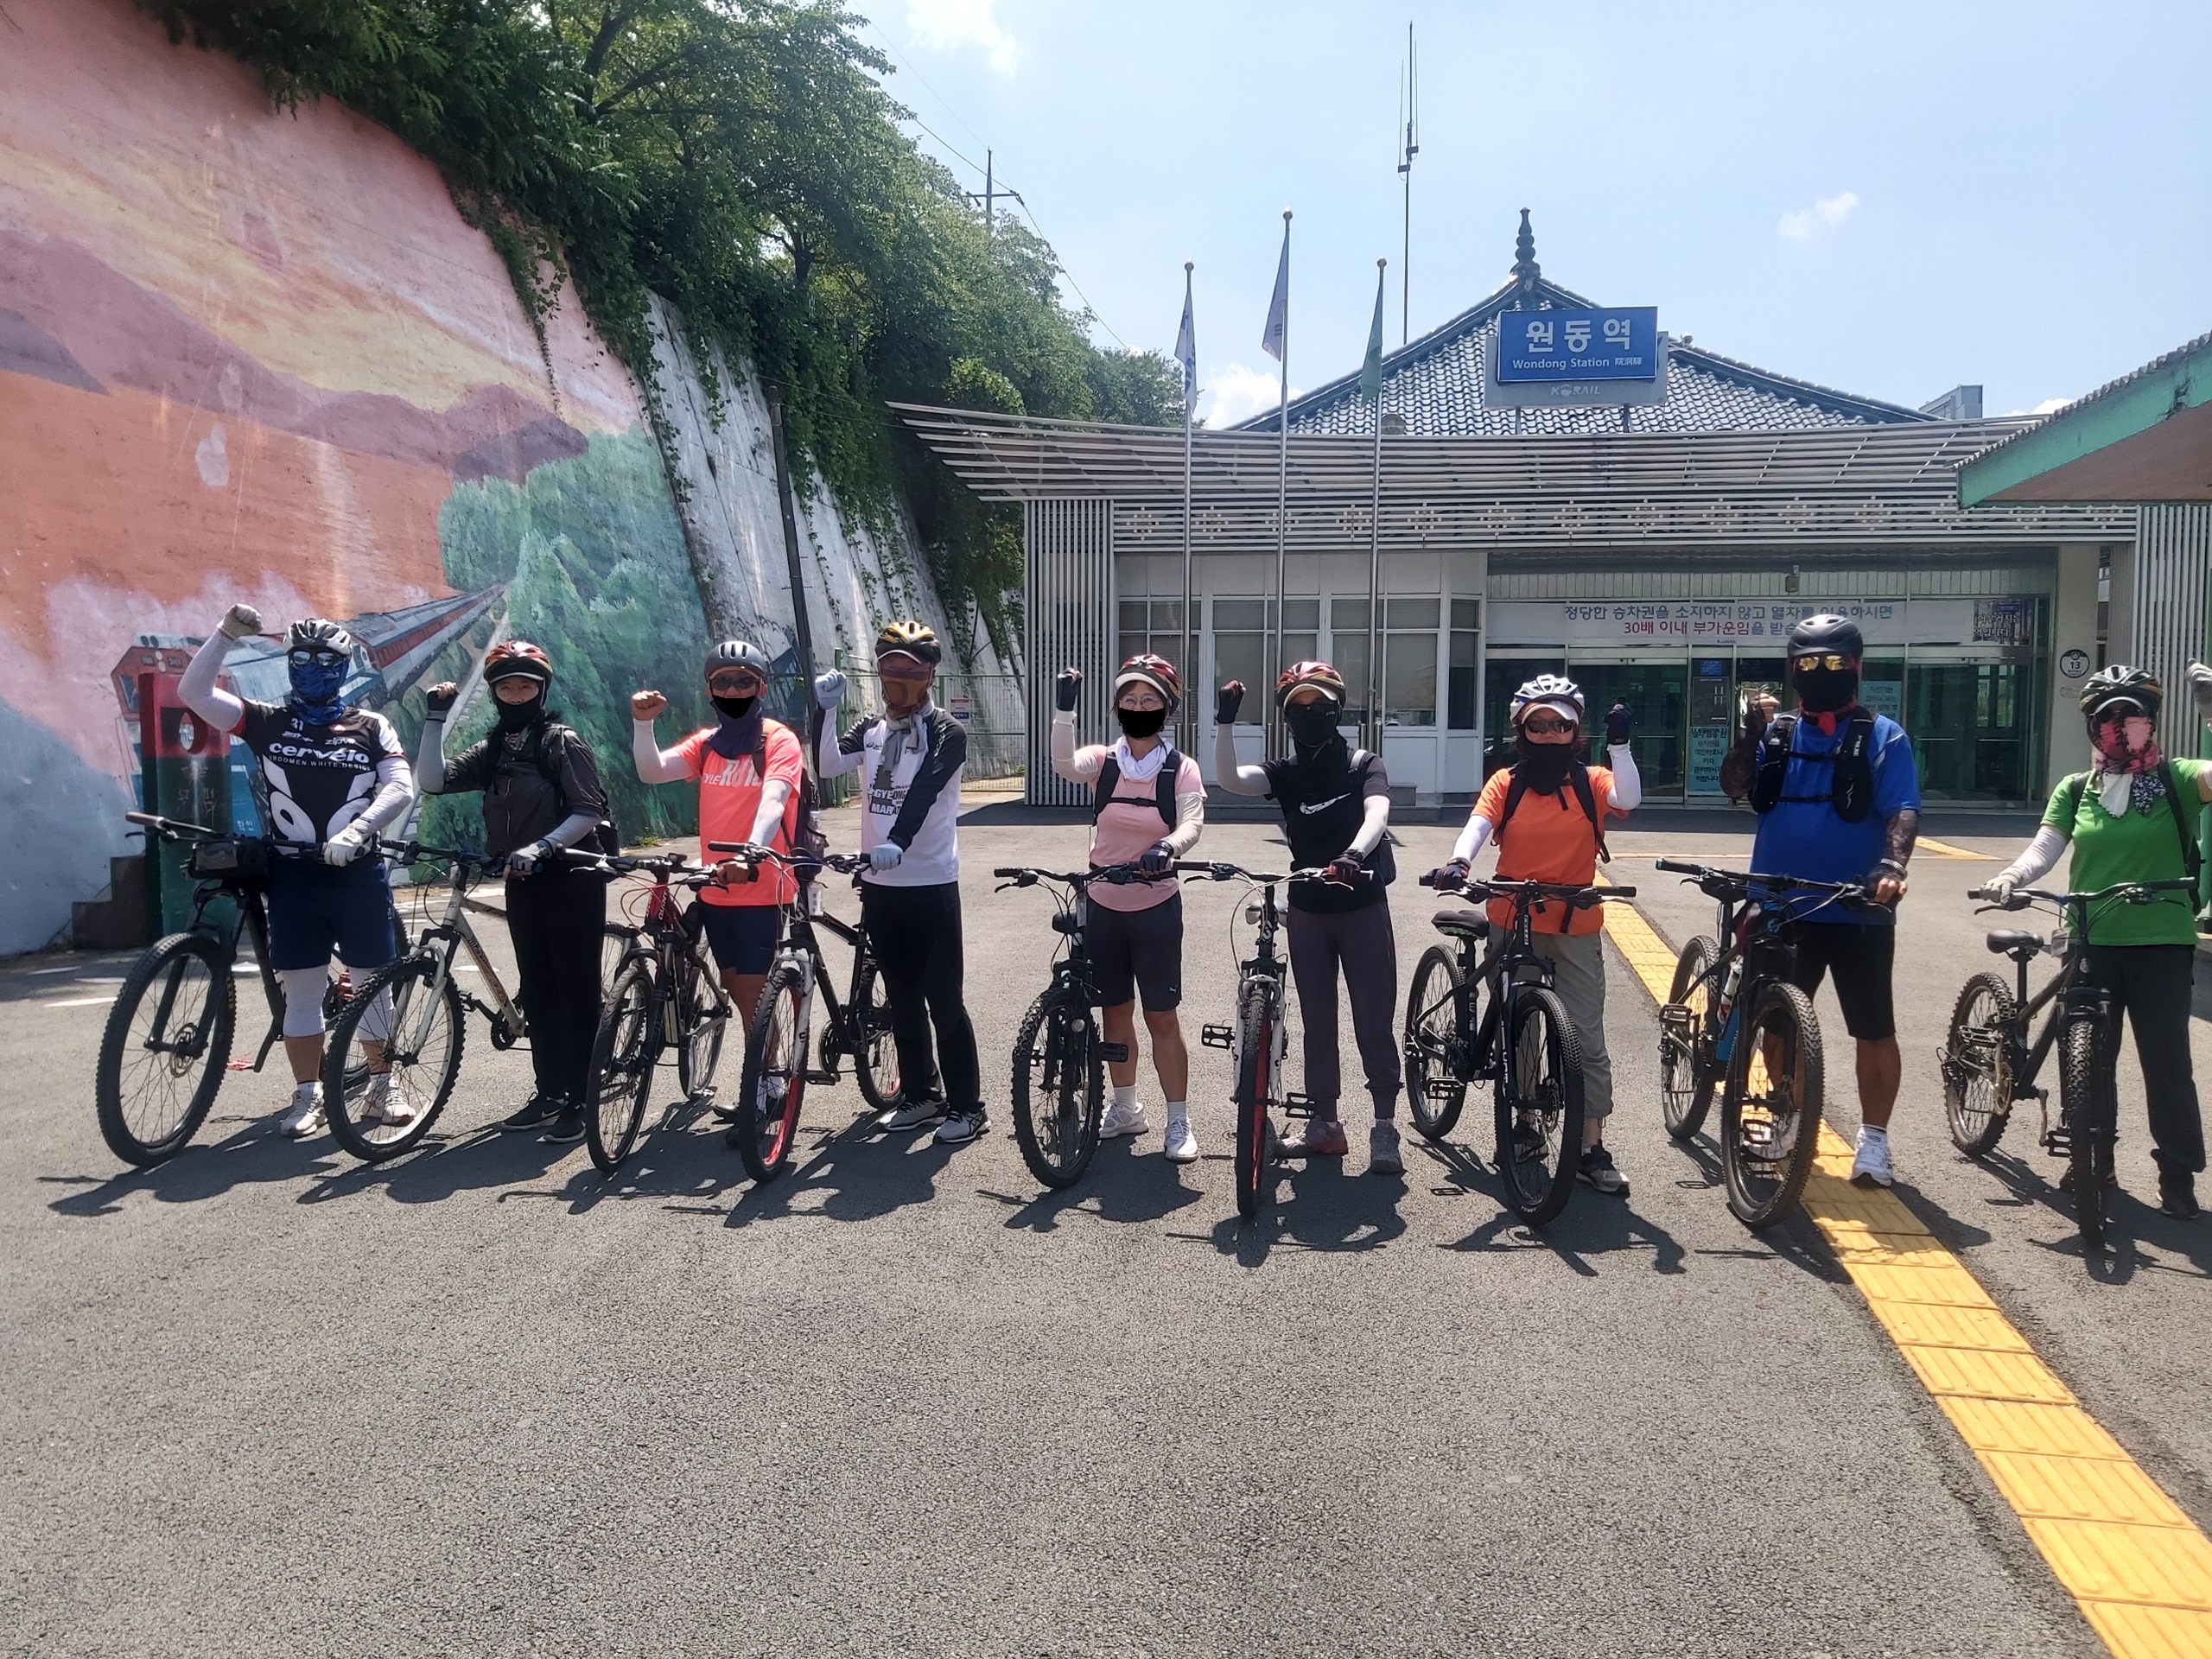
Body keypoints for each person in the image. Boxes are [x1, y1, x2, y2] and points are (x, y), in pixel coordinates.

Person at [1983, 664, 2209, 1220]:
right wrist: (2012, 876)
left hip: (2161, 940)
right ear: (2091, 726)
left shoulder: (2179, 779)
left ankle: (2177, 1173)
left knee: (2167, 1063)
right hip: (2090, 937)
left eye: (2132, 715)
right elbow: (2046, 847)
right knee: (2088, 1058)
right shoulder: (2077, 788)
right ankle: (2093, 1157)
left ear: (2151, 721)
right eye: (2107, 717)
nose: (2119, 726)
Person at [178, 603, 413, 1138]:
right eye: (301, 659)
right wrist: (224, 636)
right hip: (295, 877)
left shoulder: (371, 725)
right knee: (302, 992)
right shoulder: (267, 721)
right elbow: (194, 694)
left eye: (325, 659)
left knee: (372, 985)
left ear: (343, 666)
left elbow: (400, 787)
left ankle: (383, 1085)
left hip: (357, 873)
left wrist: (358, 832)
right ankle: (309, 1095)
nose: (311, 668)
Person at [1720, 613, 1920, 1189]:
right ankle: (1786, 1116)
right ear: (1793, 670)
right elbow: (1736, 786)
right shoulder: (1779, 734)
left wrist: (1891, 866)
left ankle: (1874, 1140)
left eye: (1834, 662)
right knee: (1777, 1023)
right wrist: (1751, 734)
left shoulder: (1883, 736)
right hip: (1781, 904)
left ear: (1855, 667)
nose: (1820, 672)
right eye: (1808, 663)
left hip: (1856, 906)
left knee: (1873, 1028)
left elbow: (1903, 810)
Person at [1429, 677, 1642, 1194]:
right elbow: (1479, 824)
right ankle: (1525, 1125)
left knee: (1586, 1036)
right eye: (1538, 724)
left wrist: (1620, 748)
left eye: (1560, 724)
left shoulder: (1592, 781)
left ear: (1575, 730)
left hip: (1574, 923)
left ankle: (1590, 1145)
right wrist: (1460, 861)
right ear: (1521, 729)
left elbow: (1628, 797)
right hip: (1514, 915)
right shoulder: (1506, 782)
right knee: (1520, 1029)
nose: (1550, 733)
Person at [417, 640, 611, 1146]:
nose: (517, 694)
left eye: (526, 685)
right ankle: (550, 1092)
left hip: (572, 876)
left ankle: (583, 1098)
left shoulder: (561, 742)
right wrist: (434, 719)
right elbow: (433, 782)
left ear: (541, 690)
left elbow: (588, 810)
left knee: (575, 989)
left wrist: (544, 846)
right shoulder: (493, 749)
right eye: (507, 687)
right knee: (539, 988)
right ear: (495, 692)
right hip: (523, 880)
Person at [1212, 662, 1403, 1176]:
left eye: (1318, 704)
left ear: (1337, 710)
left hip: (1361, 904)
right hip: (1308, 909)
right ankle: (1325, 1124)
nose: (1308, 713)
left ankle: (1385, 1126)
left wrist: (1355, 853)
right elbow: (1230, 780)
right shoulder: (1288, 772)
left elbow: (1378, 813)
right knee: (1318, 1021)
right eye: (1297, 707)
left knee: (1373, 1019)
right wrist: (1225, 723)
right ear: (1286, 717)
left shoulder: (1363, 764)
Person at [814, 620, 988, 1147]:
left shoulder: (947, 732)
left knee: (943, 998)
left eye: (911, 670)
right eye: (891, 668)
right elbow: (827, 765)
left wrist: (898, 840)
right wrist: (825, 712)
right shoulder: (871, 729)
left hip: (929, 881)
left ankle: (968, 1106)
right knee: (902, 997)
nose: (900, 679)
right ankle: (920, 1095)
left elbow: (926, 791)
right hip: (881, 885)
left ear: (930, 675)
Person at [1048, 654, 1206, 1162]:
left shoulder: (1180, 768)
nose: (1139, 708)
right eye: (1130, 700)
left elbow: (1192, 821)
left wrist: (1168, 847)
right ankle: (1125, 1108)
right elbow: (1063, 764)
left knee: (1162, 1015)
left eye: (1150, 700)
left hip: (1156, 904)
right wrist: (1064, 711)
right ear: (1118, 709)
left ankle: (1178, 1120)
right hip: (1103, 903)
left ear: (1167, 709)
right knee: (1115, 1011)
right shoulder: (1105, 761)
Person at [632, 641, 807, 1042]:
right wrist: (643, 725)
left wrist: (751, 855)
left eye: (744, 681)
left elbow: (775, 799)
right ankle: (764, 1068)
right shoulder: (708, 744)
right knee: (734, 985)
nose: (733, 690)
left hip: (761, 886)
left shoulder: (778, 741)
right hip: (716, 887)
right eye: (722, 682)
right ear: (710, 690)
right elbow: (652, 771)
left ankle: (764, 1076)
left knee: (752, 992)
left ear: (761, 689)